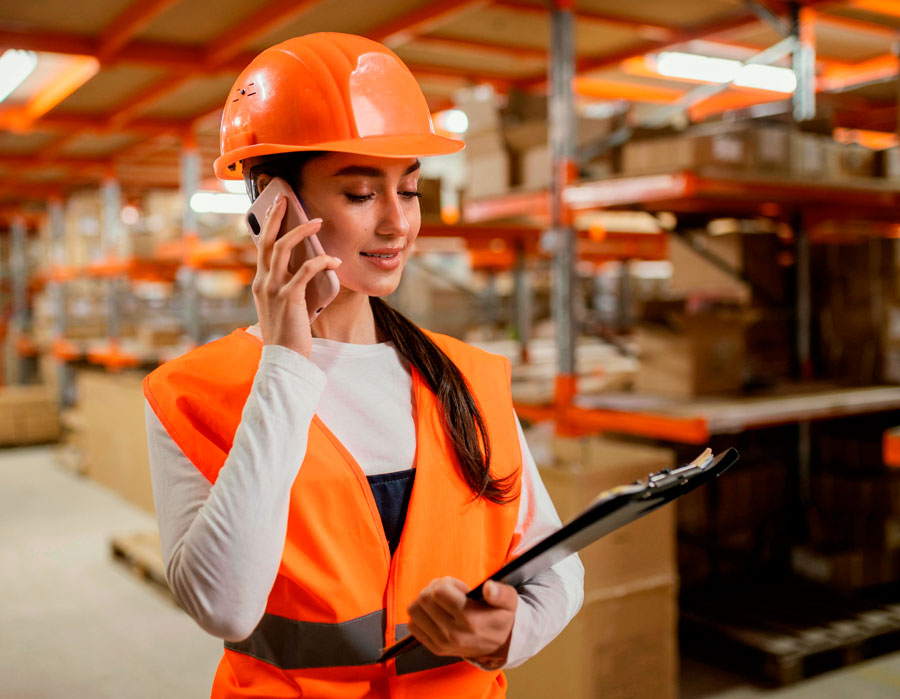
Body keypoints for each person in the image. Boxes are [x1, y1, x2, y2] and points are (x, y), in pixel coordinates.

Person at [143, 32, 583, 698]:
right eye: (358, 194)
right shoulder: (191, 395)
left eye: (407, 191)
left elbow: (558, 568)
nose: (397, 224)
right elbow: (223, 604)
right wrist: (287, 361)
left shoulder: (465, 376)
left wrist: (507, 630)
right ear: (273, 206)